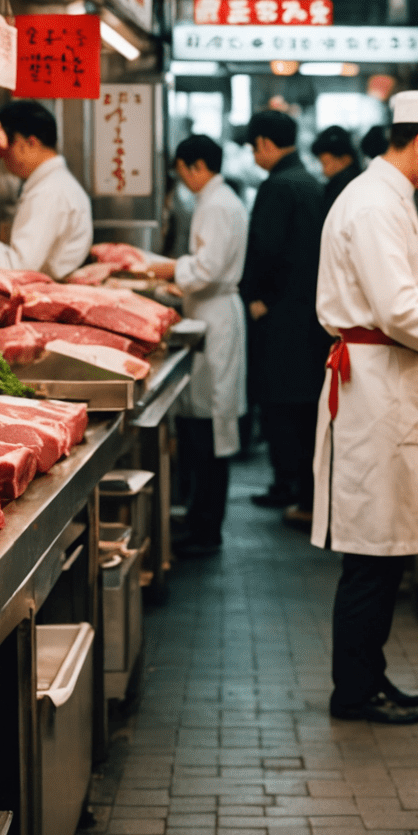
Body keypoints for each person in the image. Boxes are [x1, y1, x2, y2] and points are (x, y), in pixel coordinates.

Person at [312, 91, 418, 724]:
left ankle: (367, 676)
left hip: (387, 382)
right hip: (376, 384)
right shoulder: (375, 204)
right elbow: (401, 309)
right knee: (371, 553)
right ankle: (354, 689)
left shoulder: (388, 198)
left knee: (383, 550)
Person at [148, 135, 248, 556]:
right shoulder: (218, 200)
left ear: (195, 167)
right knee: (204, 421)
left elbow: (206, 269)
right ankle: (200, 518)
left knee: (210, 425)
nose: (182, 179)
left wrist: (164, 267)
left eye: (182, 170)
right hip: (209, 310)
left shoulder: (217, 204)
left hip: (216, 316)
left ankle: (207, 527)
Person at [239, 110, 330, 526]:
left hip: (280, 316)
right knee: (306, 409)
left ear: (264, 144)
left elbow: (266, 249)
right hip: (310, 314)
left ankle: (289, 487)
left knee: (280, 404)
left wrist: (256, 295)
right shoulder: (311, 182)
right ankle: (303, 490)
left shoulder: (277, 186)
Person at [0, 100, 93, 279]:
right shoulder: (54, 184)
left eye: (7, 145)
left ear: (31, 143)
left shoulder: (49, 191)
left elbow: (20, 265)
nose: (3, 154)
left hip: (51, 290)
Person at [314, 125, 361, 218]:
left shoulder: (341, 189)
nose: (323, 171)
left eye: (325, 163)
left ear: (346, 159)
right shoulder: (357, 181)